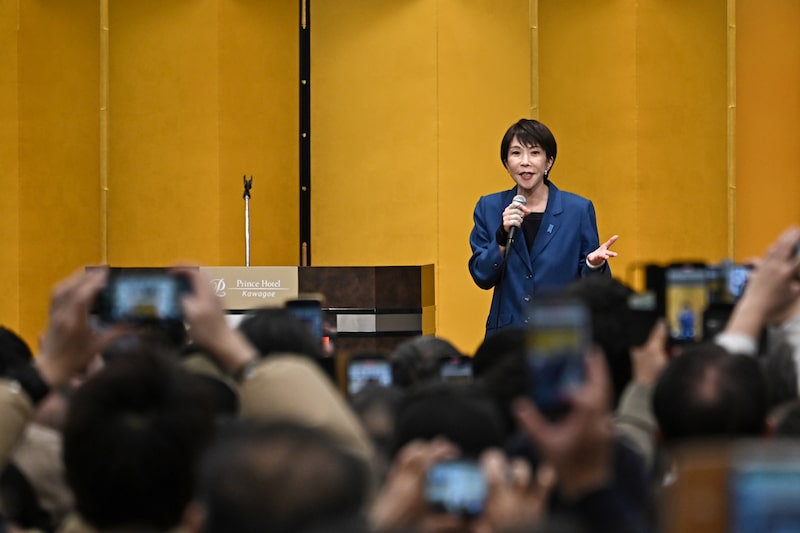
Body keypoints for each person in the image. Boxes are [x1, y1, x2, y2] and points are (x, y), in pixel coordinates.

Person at [469, 118, 619, 337]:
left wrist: (593, 265)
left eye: (535, 153)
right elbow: (482, 276)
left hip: (559, 335)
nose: (525, 162)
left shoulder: (577, 210)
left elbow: (596, 290)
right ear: (506, 162)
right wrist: (501, 238)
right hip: (507, 338)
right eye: (516, 153)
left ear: (549, 162)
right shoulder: (489, 207)